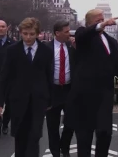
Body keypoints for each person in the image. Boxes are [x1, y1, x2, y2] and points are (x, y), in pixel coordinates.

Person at [65, 9, 118, 157]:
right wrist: (99, 26)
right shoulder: (83, 36)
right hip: (84, 94)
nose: (102, 23)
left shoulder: (111, 41)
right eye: (97, 21)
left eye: (103, 19)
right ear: (89, 23)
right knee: (85, 136)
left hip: (105, 94)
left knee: (105, 133)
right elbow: (82, 35)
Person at [0, 17, 53, 157]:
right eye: (25, 33)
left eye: (32, 34)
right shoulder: (12, 50)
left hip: (38, 100)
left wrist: (50, 99)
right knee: (20, 137)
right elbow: (4, 77)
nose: (28, 37)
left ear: (38, 33)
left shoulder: (46, 51)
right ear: (20, 32)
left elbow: (48, 76)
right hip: (17, 100)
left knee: (34, 137)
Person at [45, 21, 75, 157]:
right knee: (52, 125)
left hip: (69, 90)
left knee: (71, 122)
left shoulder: (72, 47)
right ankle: (55, 152)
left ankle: (65, 147)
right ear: (57, 33)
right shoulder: (46, 48)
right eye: (66, 31)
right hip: (53, 91)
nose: (69, 34)